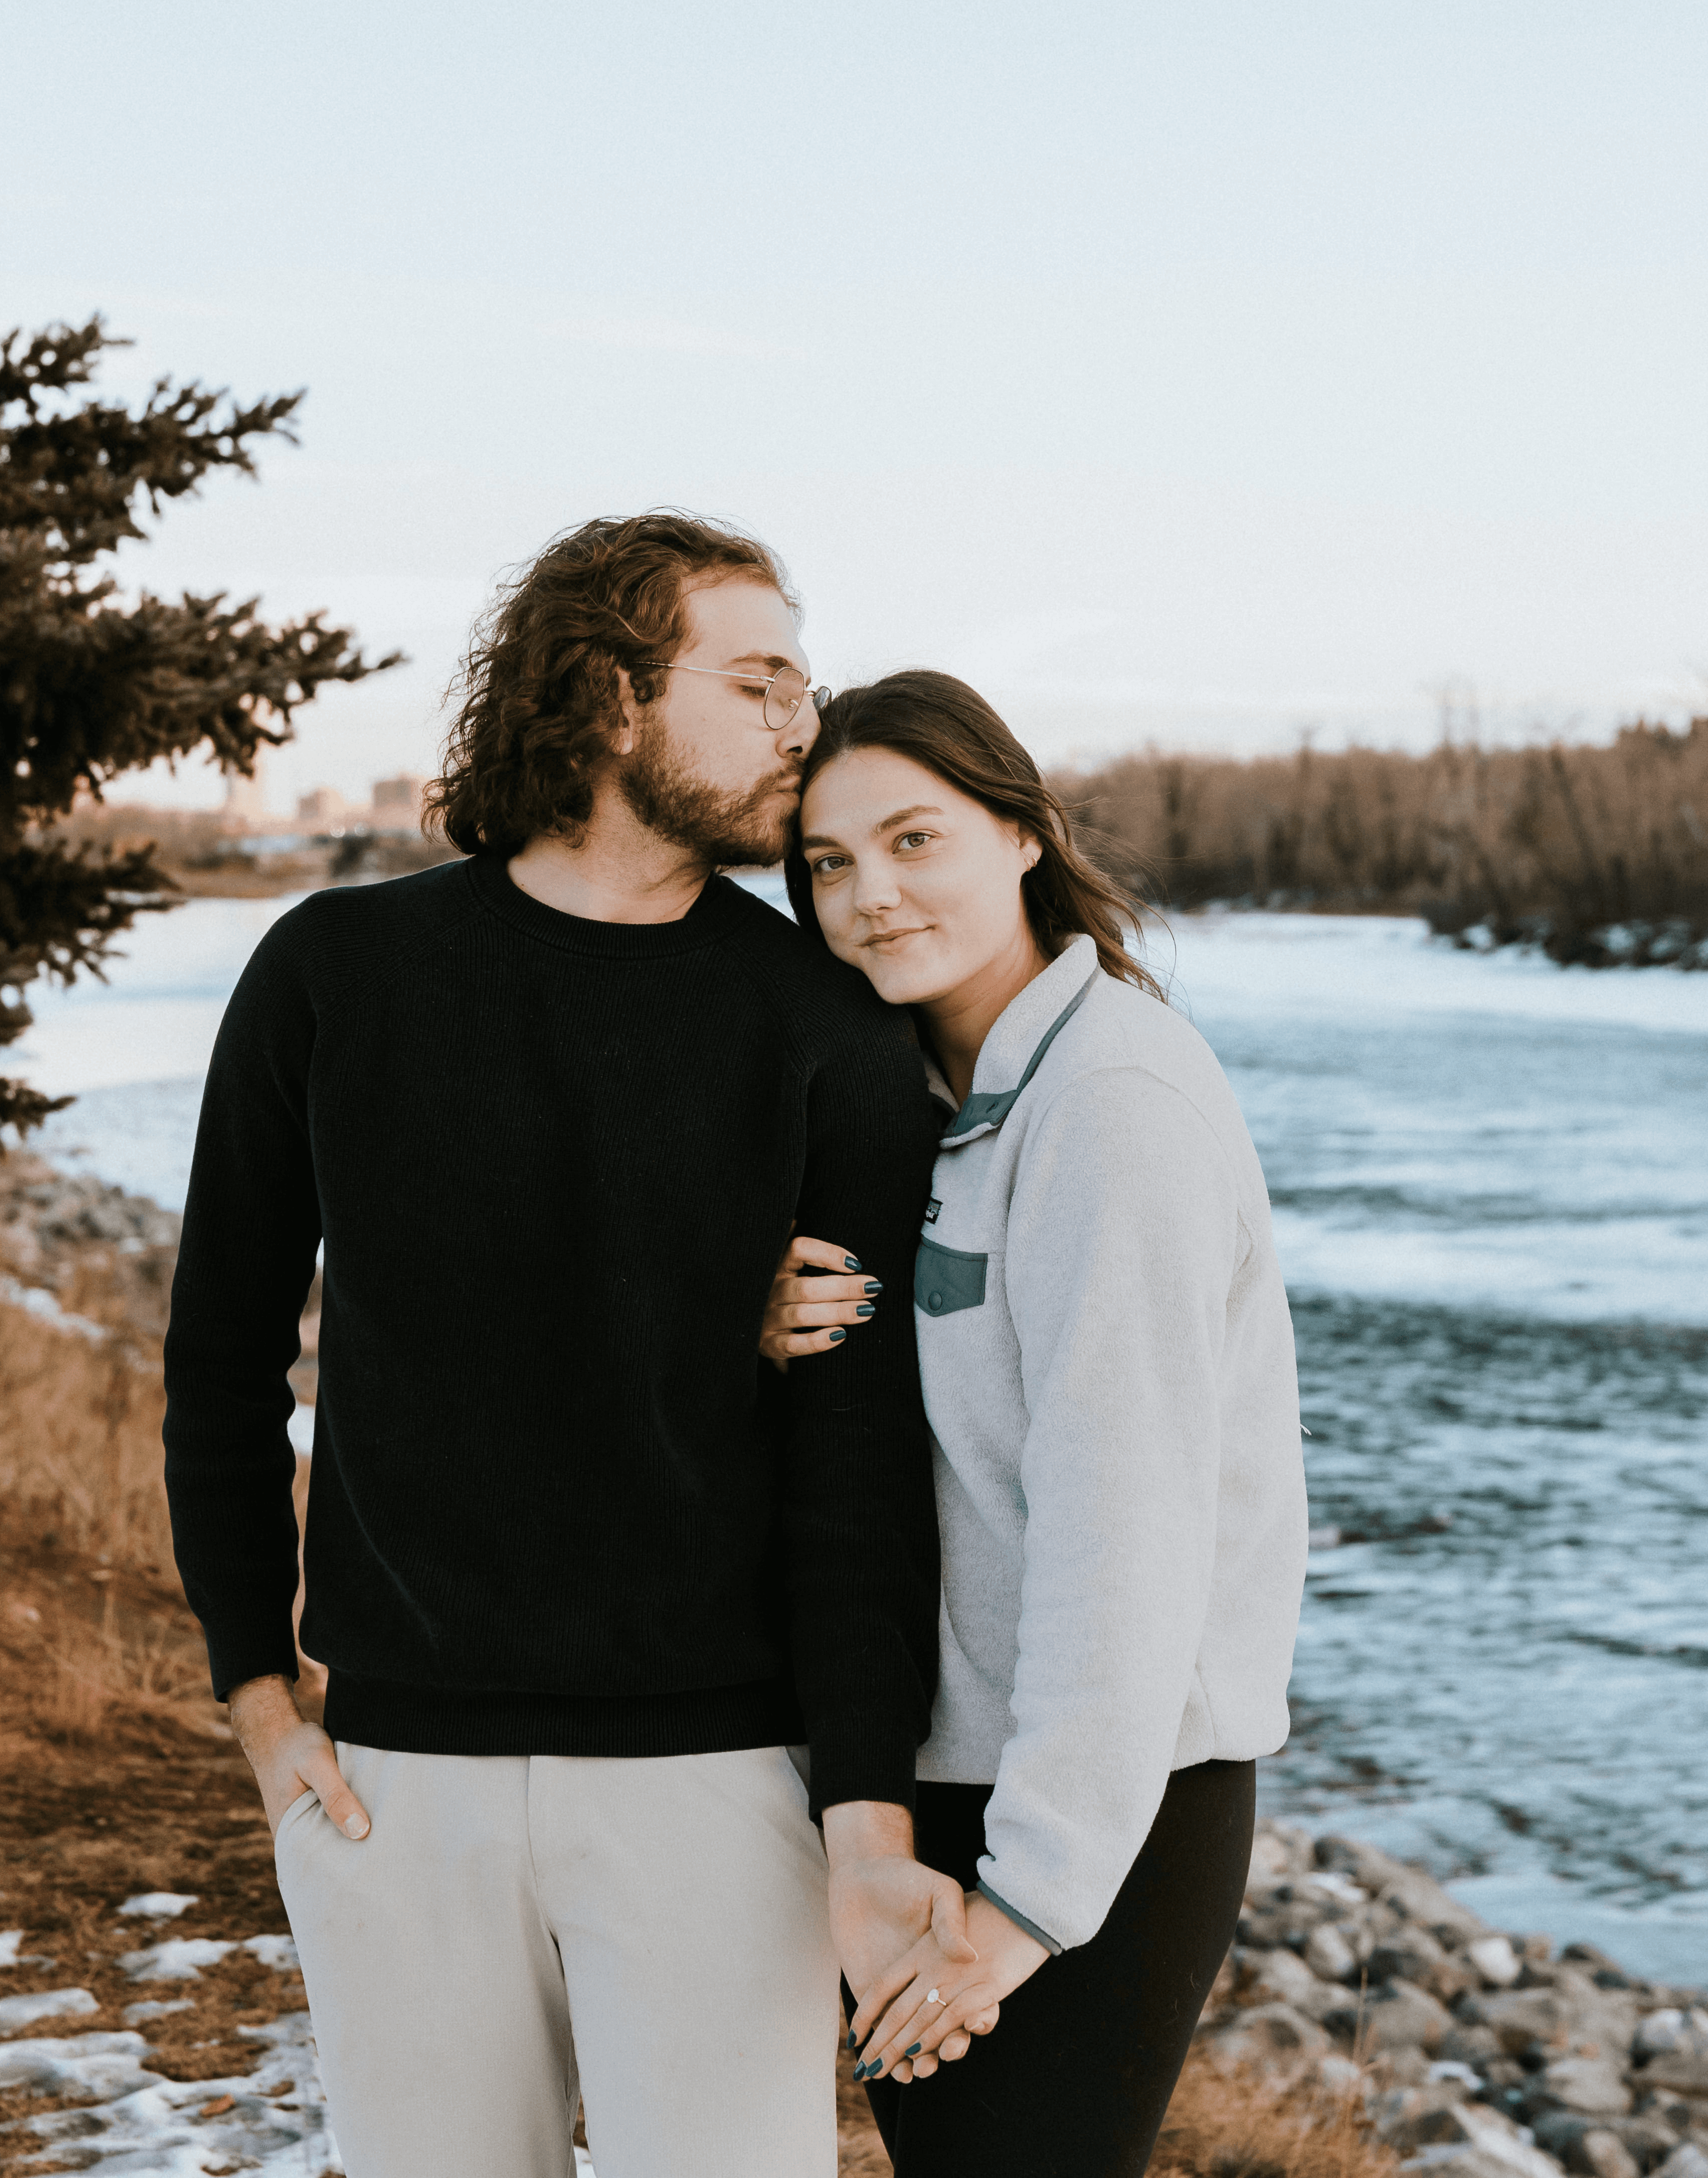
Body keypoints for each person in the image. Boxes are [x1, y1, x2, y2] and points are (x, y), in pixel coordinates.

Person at [162, 516, 977, 2178]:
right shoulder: (338, 971)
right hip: (390, 1779)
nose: (797, 726)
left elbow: (858, 1468)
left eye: (802, 687)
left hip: (720, 1783)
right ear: (607, 693)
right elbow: (223, 1356)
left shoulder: (827, 1024)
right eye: (756, 683)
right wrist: (260, 1699)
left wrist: (863, 1814)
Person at [761, 669, 1309, 2177]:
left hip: (1098, 1814)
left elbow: (1124, 1536)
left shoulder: (1110, 1104)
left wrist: (1027, 1909)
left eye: (915, 839)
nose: (869, 895)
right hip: (954, 1775)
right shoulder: (938, 1095)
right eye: (827, 863)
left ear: (1021, 832)